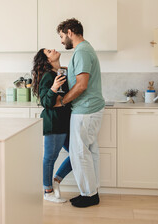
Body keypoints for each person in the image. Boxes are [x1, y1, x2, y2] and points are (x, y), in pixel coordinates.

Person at [55, 18, 105, 208]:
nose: (61, 41)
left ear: (70, 32)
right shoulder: (84, 50)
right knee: (90, 152)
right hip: (91, 108)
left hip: (85, 109)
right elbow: (80, 76)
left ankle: (89, 195)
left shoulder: (82, 51)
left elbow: (82, 85)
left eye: (61, 36)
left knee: (79, 153)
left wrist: (62, 101)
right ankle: (92, 191)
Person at [32, 48, 73, 203]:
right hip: (53, 122)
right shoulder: (48, 76)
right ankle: (47, 191)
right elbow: (46, 102)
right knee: (49, 158)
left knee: (77, 154)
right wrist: (54, 87)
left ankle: (57, 180)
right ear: (47, 60)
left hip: (65, 122)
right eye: (49, 51)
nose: (54, 50)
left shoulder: (61, 72)